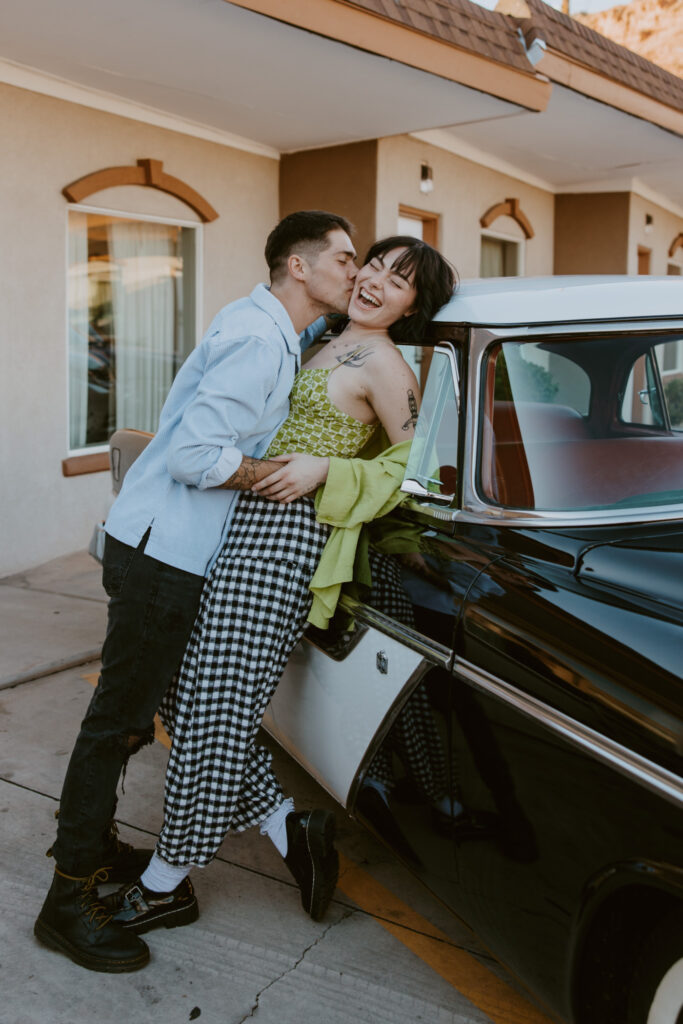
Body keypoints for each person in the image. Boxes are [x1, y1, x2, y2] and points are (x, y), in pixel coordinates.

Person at [102, 238, 457, 938]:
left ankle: (167, 881)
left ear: (415, 305)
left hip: (286, 543)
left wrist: (330, 473)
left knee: (217, 712)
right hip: (231, 529)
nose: (376, 281)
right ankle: (286, 825)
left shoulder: (386, 366)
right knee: (175, 682)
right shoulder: (322, 336)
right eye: (374, 265)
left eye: (398, 280)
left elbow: (426, 474)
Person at [34, 210, 360, 973]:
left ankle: (96, 847)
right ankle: (67, 900)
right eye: (343, 258)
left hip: (159, 548)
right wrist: (278, 478)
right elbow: (193, 455)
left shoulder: (274, 332)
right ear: (299, 267)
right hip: (163, 557)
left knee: (137, 716)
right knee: (116, 725)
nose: (355, 269)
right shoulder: (257, 339)